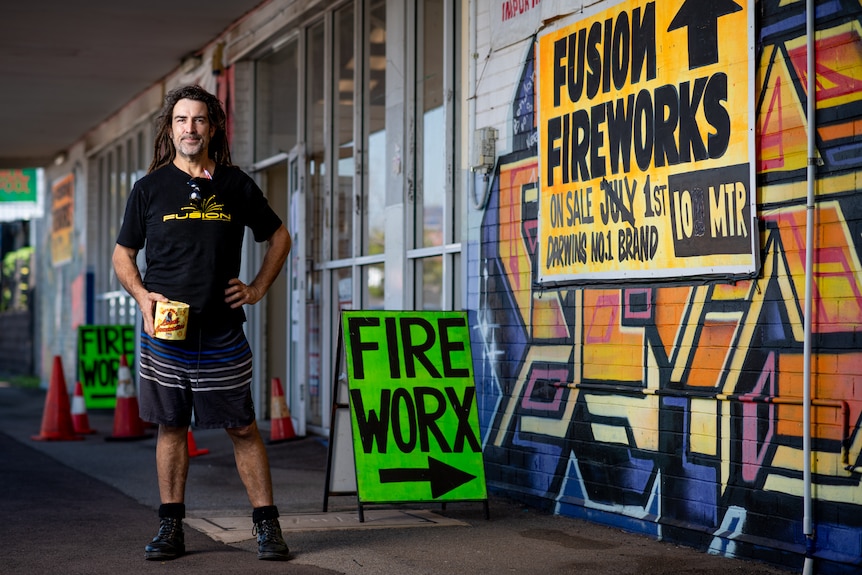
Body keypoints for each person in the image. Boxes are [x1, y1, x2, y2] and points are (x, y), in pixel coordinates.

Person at [112, 85, 292, 562]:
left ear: (212, 127)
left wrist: (256, 288)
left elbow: (279, 237)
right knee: (171, 426)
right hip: (165, 332)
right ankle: (171, 527)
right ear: (170, 129)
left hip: (222, 331)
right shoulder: (148, 188)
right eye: (180, 120)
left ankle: (267, 528)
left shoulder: (234, 184)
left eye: (198, 120)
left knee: (242, 428)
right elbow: (123, 254)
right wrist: (141, 295)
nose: (189, 129)